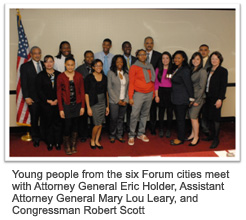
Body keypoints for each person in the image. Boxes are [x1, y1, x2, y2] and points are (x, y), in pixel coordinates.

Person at [57, 57, 85, 155]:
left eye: (72, 65)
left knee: (75, 125)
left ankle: (73, 144)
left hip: (77, 105)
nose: (70, 67)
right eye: (68, 65)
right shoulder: (61, 76)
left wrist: (82, 107)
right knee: (67, 126)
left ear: (74, 65)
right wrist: (61, 109)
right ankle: (67, 145)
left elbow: (82, 91)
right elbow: (59, 94)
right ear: (65, 65)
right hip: (66, 106)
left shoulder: (79, 76)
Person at [128, 49, 155, 146]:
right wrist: (130, 97)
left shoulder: (149, 66)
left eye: (144, 54)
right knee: (134, 115)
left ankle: (141, 133)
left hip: (149, 94)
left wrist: (153, 94)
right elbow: (131, 83)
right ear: (137, 56)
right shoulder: (134, 67)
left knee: (144, 114)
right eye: (140, 54)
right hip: (138, 94)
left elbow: (153, 81)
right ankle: (131, 135)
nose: (143, 56)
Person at [202, 51, 228, 149]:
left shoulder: (223, 71)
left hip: (216, 98)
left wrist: (220, 99)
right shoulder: (208, 69)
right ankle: (211, 136)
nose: (214, 60)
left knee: (216, 119)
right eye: (212, 58)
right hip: (208, 97)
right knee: (209, 117)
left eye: (216, 59)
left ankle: (216, 139)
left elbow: (223, 86)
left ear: (220, 60)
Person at [20, 46, 44, 147]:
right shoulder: (25, 66)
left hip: (44, 99)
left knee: (45, 119)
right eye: (35, 53)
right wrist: (26, 97)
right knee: (34, 119)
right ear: (31, 54)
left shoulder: (44, 64)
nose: (37, 55)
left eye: (39, 53)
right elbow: (24, 83)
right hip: (32, 99)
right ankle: (36, 138)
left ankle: (44, 136)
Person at [36, 55, 62, 151]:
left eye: (51, 61)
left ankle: (58, 142)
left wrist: (57, 100)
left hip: (58, 103)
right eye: (46, 62)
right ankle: (50, 142)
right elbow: (39, 91)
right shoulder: (40, 75)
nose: (49, 63)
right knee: (48, 123)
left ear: (54, 62)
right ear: (44, 63)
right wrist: (48, 101)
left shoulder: (59, 74)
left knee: (58, 123)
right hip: (46, 104)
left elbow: (62, 89)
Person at [170, 50, 194, 145]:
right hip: (176, 98)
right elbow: (174, 78)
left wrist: (191, 98)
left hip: (182, 99)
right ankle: (181, 136)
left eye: (178, 58)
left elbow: (189, 85)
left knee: (180, 120)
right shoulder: (177, 69)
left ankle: (180, 139)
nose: (176, 59)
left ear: (183, 59)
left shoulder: (185, 70)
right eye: (175, 57)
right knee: (179, 119)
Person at [85, 59, 109, 149]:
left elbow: (106, 92)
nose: (99, 67)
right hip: (94, 102)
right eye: (97, 65)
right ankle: (92, 139)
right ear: (93, 67)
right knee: (97, 123)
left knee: (101, 123)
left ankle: (97, 140)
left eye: (100, 65)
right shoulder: (89, 77)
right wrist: (88, 107)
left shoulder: (105, 77)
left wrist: (107, 106)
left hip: (103, 102)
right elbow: (86, 93)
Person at [186, 52, 207, 146]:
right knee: (191, 117)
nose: (195, 61)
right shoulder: (192, 69)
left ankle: (196, 137)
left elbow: (202, 87)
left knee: (194, 117)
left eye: (198, 59)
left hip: (198, 98)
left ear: (201, 61)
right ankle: (192, 134)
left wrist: (197, 100)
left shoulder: (202, 71)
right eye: (194, 59)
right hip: (191, 98)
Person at [108, 55, 129, 143]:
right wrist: (117, 101)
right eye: (117, 62)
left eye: (121, 61)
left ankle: (119, 135)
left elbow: (129, 88)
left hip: (124, 100)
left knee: (121, 118)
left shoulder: (126, 73)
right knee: (114, 118)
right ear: (114, 63)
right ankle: (112, 135)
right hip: (114, 101)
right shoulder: (111, 73)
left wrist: (126, 100)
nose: (119, 63)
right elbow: (109, 88)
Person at [144, 36, 161, 135]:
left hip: (153, 86)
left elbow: (160, 71)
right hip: (142, 86)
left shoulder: (158, 55)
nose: (149, 45)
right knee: (143, 108)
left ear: (153, 44)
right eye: (147, 43)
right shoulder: (140, 55)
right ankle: (143, 127)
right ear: (144, 44)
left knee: (153, 108)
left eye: (150, 43)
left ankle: (153, 127)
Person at [75, 50, 94, 142]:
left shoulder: (97, 68)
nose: (89, 58)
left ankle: (93, 134)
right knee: (83, 118)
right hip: (82, 97)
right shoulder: (79, 69)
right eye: (87, 56)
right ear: (84, 58)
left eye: (91, 56)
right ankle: (83, 135)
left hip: (94, 98)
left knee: (94, 117)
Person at [154, 52, 173, 138]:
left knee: (169, 112)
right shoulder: (158, 69)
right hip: (161, 92)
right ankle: (161, 129)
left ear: (170, 59)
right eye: (163, 58)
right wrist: (156, 95)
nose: (165, 60)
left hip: (170, 92)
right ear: (161, 60)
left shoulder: (173, 69)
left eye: (167, 58)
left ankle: (169, 129)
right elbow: (156, 84)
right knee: (161, 112)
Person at [122, 41, 137, 132]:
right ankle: (122, 128)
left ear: (131, 47)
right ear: (122, 48)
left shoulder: (136, 59)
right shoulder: (119, 60)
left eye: (129, 46)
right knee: (123, 110)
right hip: (123, 89)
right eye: (125, 47)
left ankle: (130, 128)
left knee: (132, 111)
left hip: (134, 89)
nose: (127, 48)